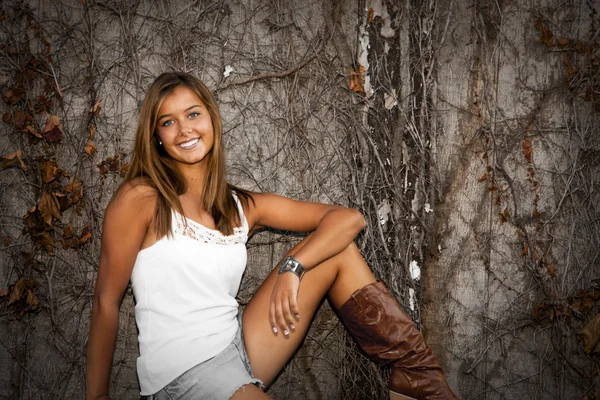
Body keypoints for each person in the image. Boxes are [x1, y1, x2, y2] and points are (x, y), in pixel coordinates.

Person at [85, 71, 459, 400]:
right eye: (168, 121)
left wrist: (293, 268)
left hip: (239, 345)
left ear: (211, 119)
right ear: (156, 137)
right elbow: (105, 301)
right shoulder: (142, 198)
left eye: (193, 114)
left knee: (336, 252)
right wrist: (98, 396)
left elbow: (347, 219)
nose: (184, 129)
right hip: (182, 374)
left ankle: (417, 379)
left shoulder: (240, 205)